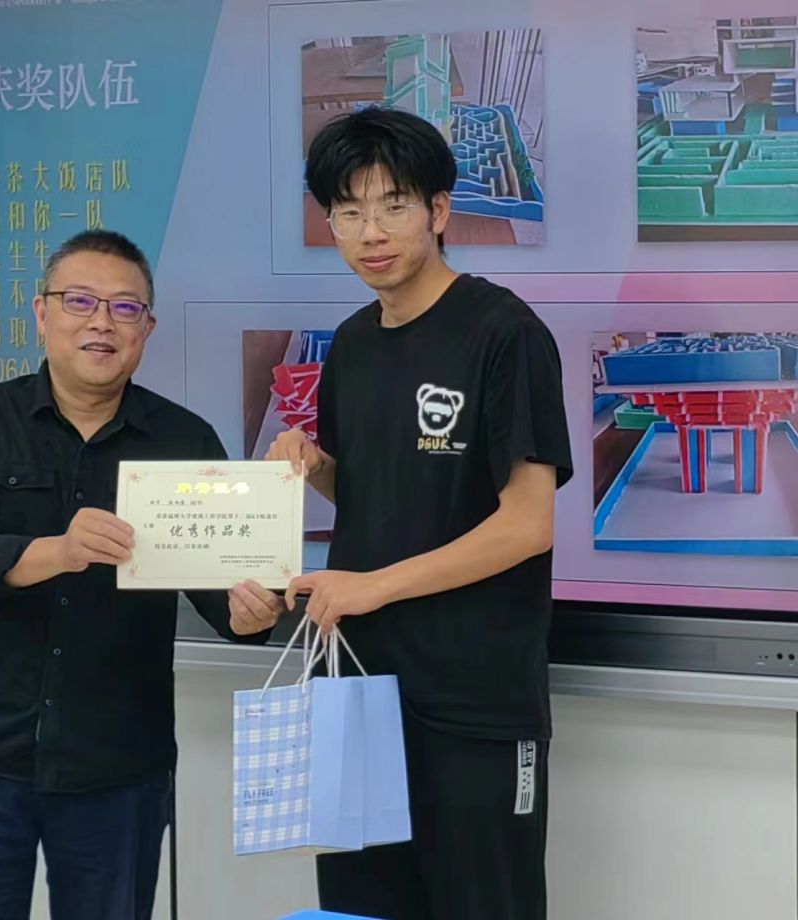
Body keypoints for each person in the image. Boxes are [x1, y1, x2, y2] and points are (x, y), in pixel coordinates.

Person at [0, 229, 285, 920]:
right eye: (80, 301)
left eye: (125, 308)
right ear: (42, 313)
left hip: (119, 771)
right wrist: (55, 551)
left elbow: (225, 599)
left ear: (147, 328)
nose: (102, 323)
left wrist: (251, 611)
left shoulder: (184, 441)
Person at [269, 106, 574, 919]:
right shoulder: (352, 343)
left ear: (439, 210)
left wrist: (372, 586)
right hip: (357, 692)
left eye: (393, 204)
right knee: (360, 912)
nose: (370, 232)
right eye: (347, 211)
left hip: (474, 704)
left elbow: (526, 524)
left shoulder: (504, 333)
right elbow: (380, 494)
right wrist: (315, 467)